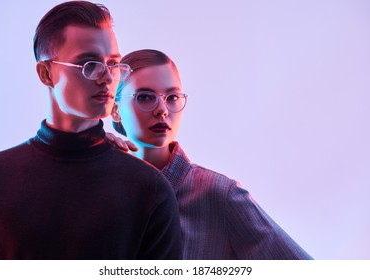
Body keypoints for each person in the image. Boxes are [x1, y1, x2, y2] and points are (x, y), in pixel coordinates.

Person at [0, 2, 182, 260]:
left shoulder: (149, 189)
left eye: (114, 64)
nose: (108, 78)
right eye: (89, 64)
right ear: (46, 73)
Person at [111, 49, 313, 260]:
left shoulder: (218, 195)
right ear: (115, 109)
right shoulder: (103, 186)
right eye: (144, 97)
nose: (162, 109)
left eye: (172, 97)